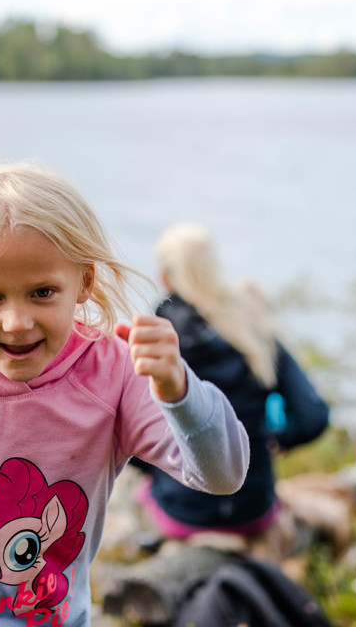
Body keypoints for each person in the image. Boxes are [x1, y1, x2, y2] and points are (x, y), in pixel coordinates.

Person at [0, 163, 249, 627]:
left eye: (43, 292)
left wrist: (181, 393)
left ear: (84, 283)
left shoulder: (113, 376)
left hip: (53, 615)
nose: (16, 322)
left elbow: (223, 475)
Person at [137, 223, 329, 562]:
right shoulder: (254, 327)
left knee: (140, 490)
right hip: (253, 510)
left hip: (184, 513)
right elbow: (313, 415)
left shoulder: (159, 336)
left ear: (165, 277)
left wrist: (157, 467)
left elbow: (132, 428)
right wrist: (271, 438)